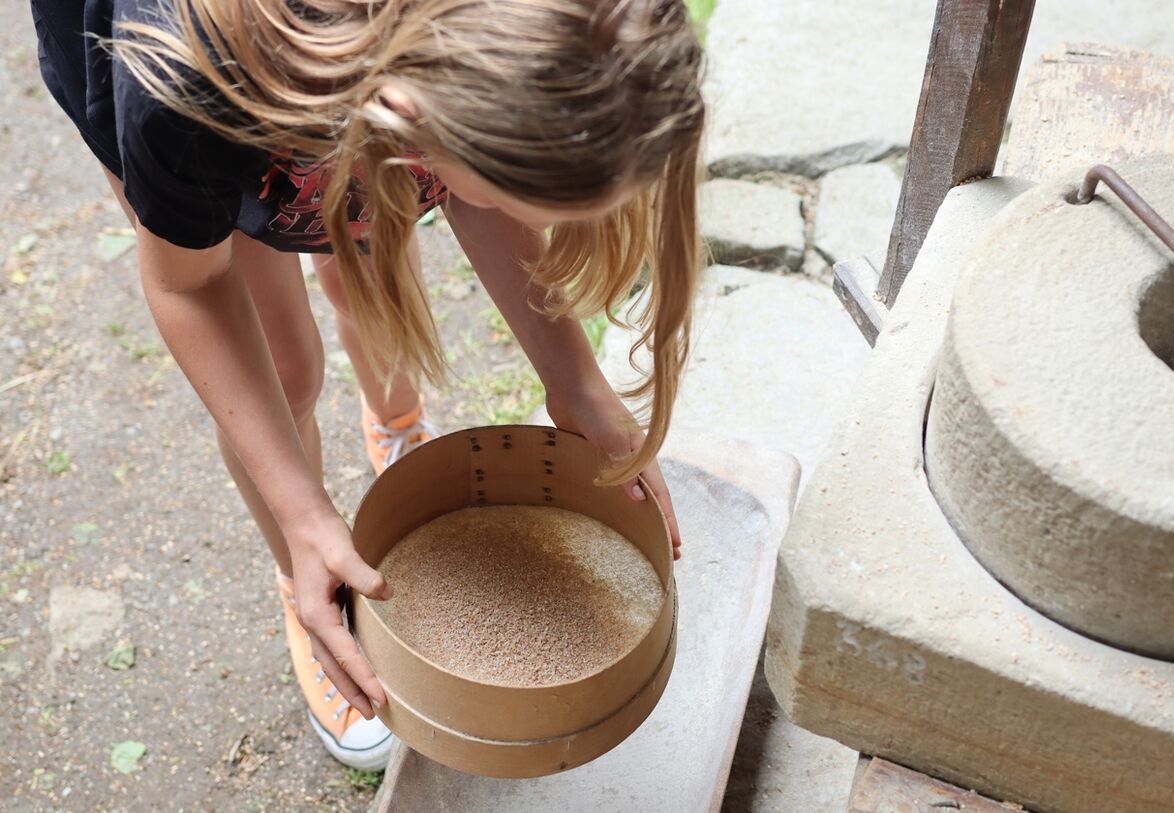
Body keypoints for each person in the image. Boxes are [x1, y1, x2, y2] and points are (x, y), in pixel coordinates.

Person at [30, 0, 703, 770]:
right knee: (286, 370)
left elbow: (466, 177)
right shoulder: (182, 90)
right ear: (409, 109)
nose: (485, 206)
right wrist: (303, 514)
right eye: (499, 195)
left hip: (353, 92)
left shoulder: (514, 38)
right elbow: (190, 287)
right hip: (213, 100)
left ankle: (394, 422)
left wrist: (572, 378)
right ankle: (307, 578)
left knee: (364, 281)